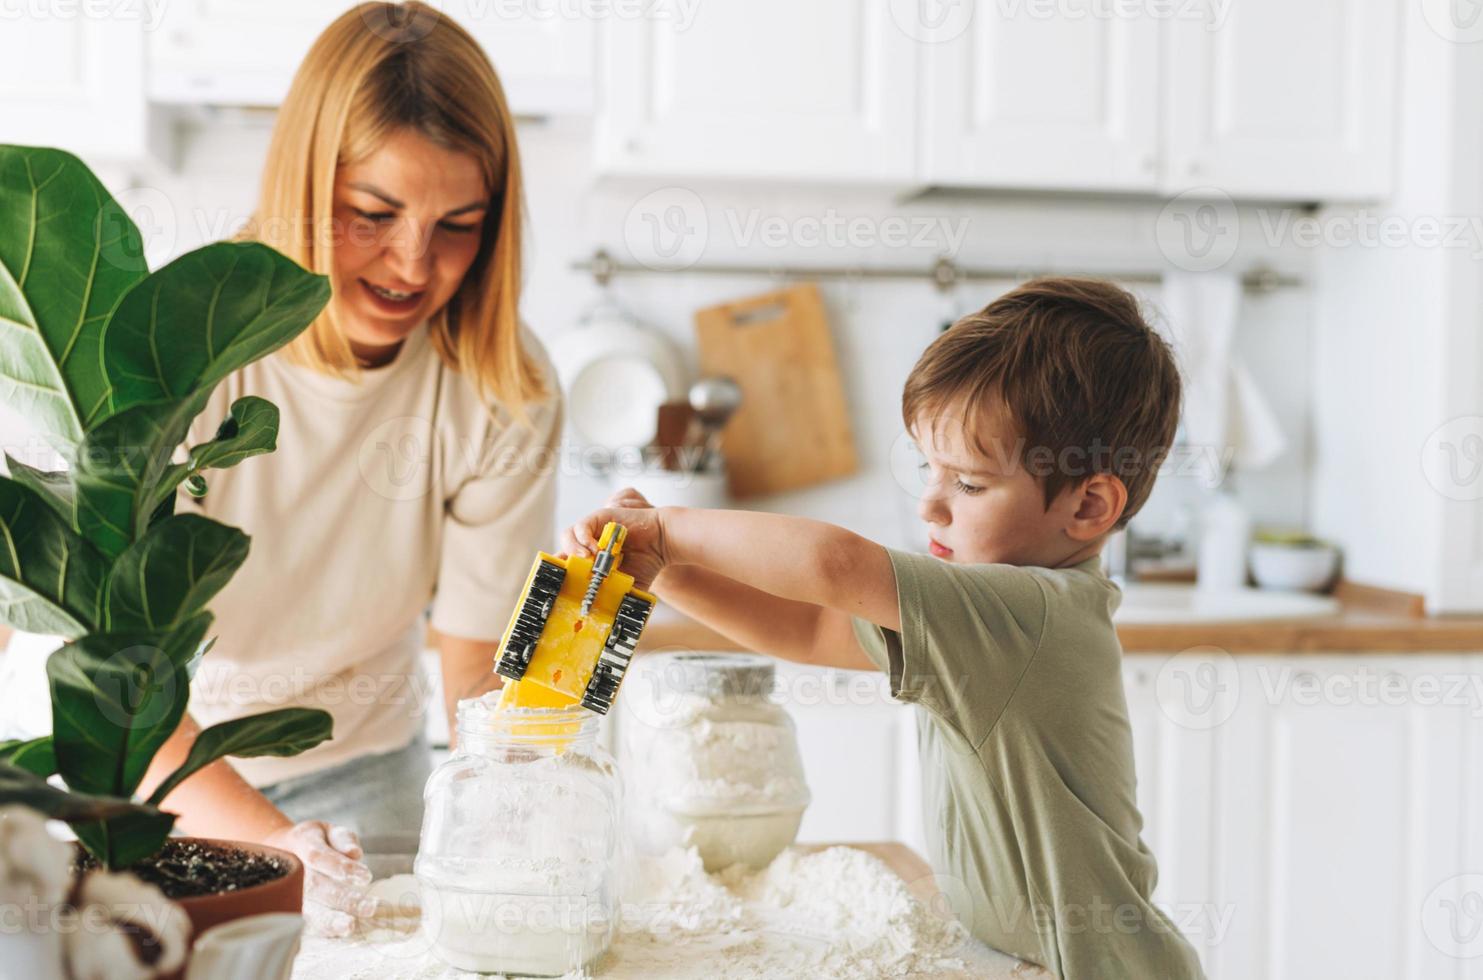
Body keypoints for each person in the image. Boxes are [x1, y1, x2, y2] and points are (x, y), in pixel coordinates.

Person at [563, 278, 1206, 978]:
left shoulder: (1029, 615)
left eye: (967, 484)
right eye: (930, 470)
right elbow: (813, 626)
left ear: (1087, 507)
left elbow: (834, 568)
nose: (930, 504)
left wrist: (671, 527)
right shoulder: (975, 621)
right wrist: (663, 566)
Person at [129, 2, 561, 936]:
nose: (413, 264)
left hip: (373, 780)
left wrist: (516, 832)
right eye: (372, 214)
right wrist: (282, 846)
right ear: (304, 183)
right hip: (159, 781)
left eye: (460, 224)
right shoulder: (179, 350)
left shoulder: (501, 388)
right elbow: (125, 684)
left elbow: (480, 666)